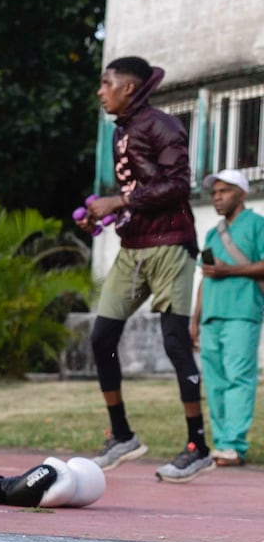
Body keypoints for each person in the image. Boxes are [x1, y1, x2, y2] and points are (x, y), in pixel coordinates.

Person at [84, 57, 208, 480]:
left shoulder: (163, 125)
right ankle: (122, 435)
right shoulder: (121, 131)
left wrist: (117, 201)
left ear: (130, 88)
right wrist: (101, 215)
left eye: (107, 83)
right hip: (133, 246)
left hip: (172, 244)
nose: (101, 91)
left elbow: (178, 184)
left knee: (175, 344)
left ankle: (198, 445)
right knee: (102, 338)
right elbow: (138, 190)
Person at [197, 170, 262, 468]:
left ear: (242, 193)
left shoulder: (258, 225)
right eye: (214, 193)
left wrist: (229, 271)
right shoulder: (212, 233)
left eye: (224, 191)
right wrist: (195, 319)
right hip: (211, 315)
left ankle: (234, 445)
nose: (217, 197)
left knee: (238, 378)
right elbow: (205, 276)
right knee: (214, 382)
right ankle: (221, 444)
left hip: (242, 313)